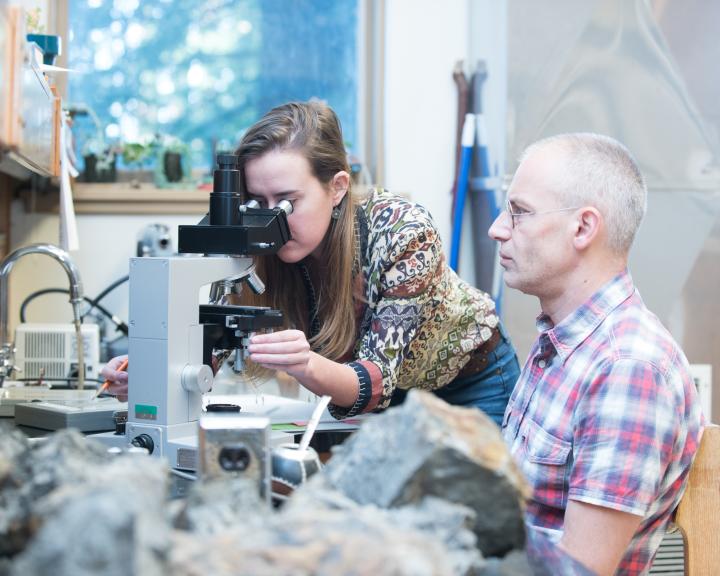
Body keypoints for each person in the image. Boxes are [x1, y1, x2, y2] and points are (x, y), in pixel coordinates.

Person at [102, 100, 520, 425]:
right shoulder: (258, 243)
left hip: (470, 386)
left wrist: (303, 364)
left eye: (287, 202)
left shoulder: (401, 233)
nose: (271, 220)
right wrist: (146, 373)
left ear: (337, 187)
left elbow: (374, 383)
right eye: (257, 203)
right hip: (394, 400)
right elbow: (208, 348)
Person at [488, 133, 703, 575]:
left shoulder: (627, 368)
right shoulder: (562, 344)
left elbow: (580, 571)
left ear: (583, 228)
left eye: (519, 212)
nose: (498, 228)